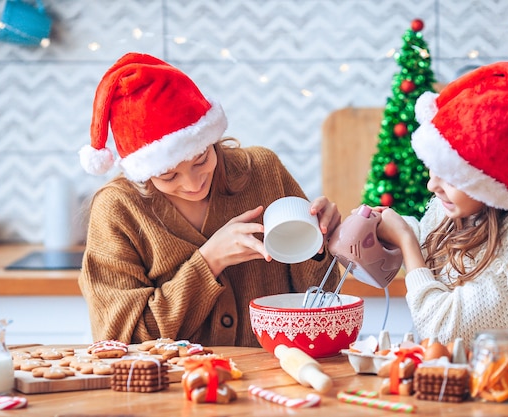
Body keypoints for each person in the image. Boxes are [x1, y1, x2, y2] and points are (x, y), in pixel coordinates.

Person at [77, 52, 341, 346]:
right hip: (170, 389)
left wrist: (318, 244)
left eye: (201, 159)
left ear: (210, 140)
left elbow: (320, 304)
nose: (192, 183)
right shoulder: (118, 210)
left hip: (274, 378)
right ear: (143, 173)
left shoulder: (263, 172)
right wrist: (209, 261)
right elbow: (121, 342)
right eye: (168, 176)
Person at [374, 62, 508, 350]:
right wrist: (375, 229)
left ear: (487, 180)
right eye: (432, 169)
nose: (431, 186)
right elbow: (423, 241)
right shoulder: (453, 210)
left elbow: (444, 332)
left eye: (450, 175)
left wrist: (404, 240)